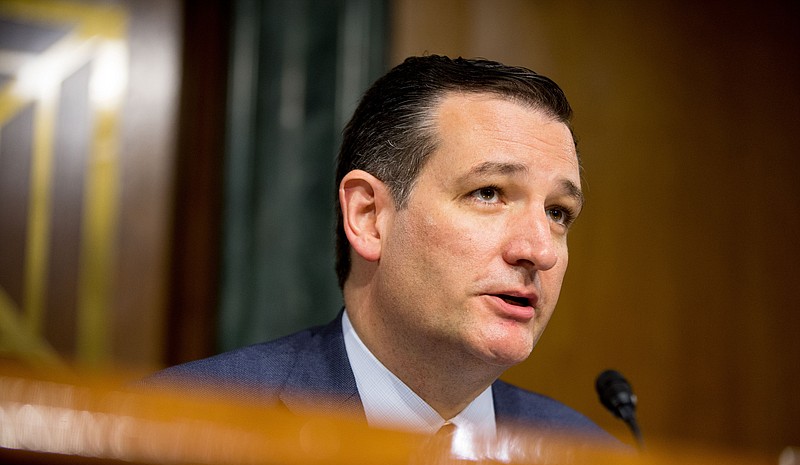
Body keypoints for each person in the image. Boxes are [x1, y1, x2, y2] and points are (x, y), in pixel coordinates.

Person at [146, 55, 612, 443]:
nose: (539, 251)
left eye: (558, 213)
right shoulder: (184, 425)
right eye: (488, 193)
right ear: (369, 217)